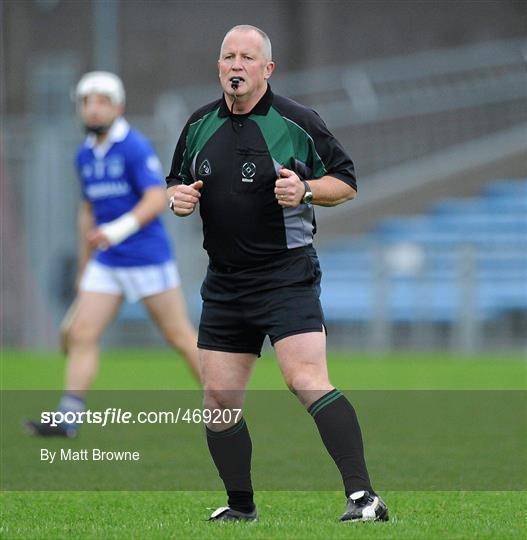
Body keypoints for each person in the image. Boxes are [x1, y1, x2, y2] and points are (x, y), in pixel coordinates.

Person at [167, 25, 388, 523]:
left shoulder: (297, 121)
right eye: (228, 56)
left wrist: (306, 191)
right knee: (219, 400)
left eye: (248, 57)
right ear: (219, 66)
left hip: (285, 273)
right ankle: (242, 508)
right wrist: (174, 197)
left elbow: (346, 182)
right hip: (224, 281)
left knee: (304, 378)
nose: (236, 65)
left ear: (267, 69)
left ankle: (365, 498)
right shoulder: (199, 123)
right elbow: (177, 179)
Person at [26, 71, 200, 437]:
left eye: (102, 101)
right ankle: (68, 419)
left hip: (147, 258)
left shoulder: (133, 147)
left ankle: (225, 407)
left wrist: (117, 230)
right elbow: (87, 210)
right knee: (81, 334)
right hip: (106, 263)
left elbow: (156, 198)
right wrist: (85, 266)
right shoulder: (85, 154)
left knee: (179, 336)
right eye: (87, 102)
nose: (93, 109)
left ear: (118, 107)